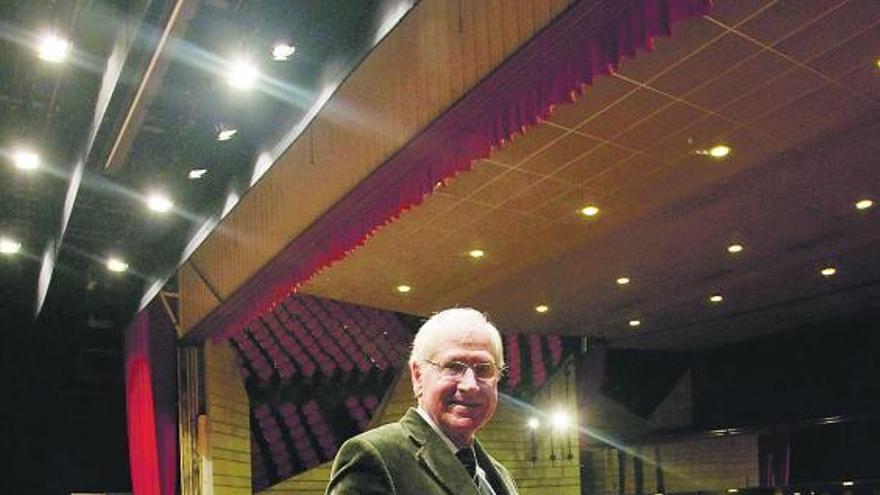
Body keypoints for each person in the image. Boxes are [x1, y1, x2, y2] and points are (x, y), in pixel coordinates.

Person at [326, 307, 518, 494]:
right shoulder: (375, 457)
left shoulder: (499, 474)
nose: (470, 385)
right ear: (417, 376)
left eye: (483, 369)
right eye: (453, 367)